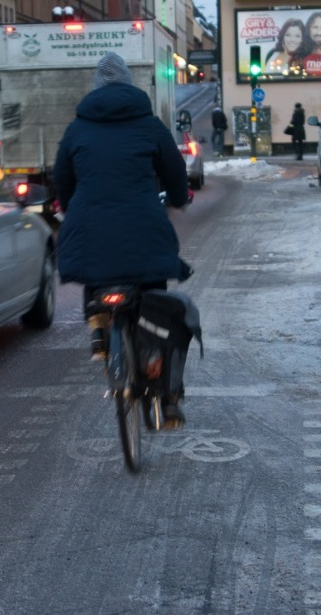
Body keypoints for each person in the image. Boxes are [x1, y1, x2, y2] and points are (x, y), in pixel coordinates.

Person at [53, 52, 191, 426]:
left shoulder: (78, 128)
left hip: (89, 229)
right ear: (130, 85)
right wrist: (178, 198)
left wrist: (72, 209)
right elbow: (175, 170)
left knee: (93, 264)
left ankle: (97, 325)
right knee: (155, 300)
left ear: (95, 89)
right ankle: (162, 383)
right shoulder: (148, 124)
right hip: (143, 228)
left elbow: (61, 179)